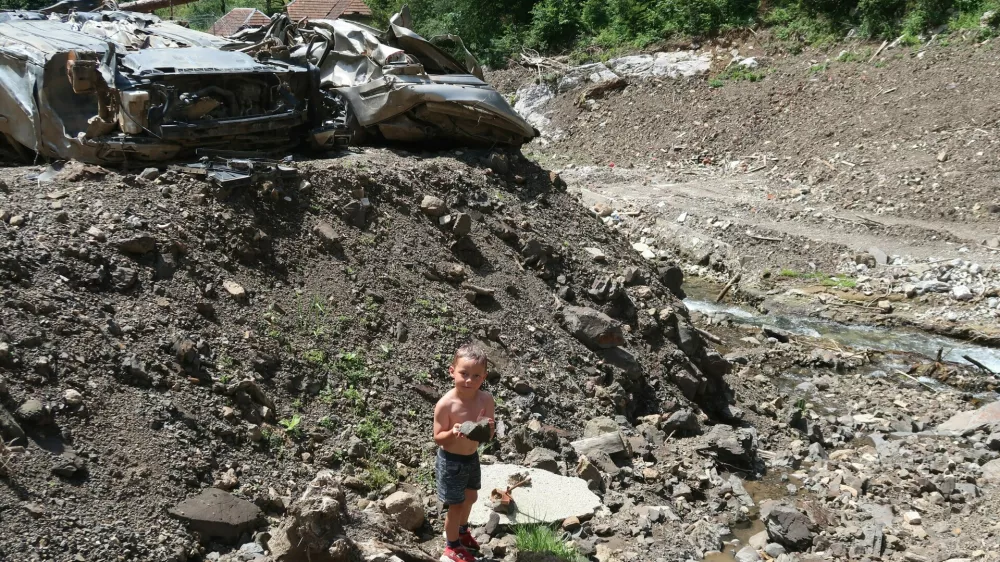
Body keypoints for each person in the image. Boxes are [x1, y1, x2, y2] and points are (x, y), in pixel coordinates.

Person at [433, 343, 495, 562]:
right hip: (451, 460)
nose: (469, 380)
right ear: (452, 371)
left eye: (476, 376)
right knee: (456, 504)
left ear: (484, 376)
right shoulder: (446, 405)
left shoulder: (485, 399)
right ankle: (451, 546)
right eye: (464, 374)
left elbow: (489, 430)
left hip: (471, 457)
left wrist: (486, 427)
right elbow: (438, 437)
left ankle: (461, 531)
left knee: (471, 496)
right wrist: (453, 432)